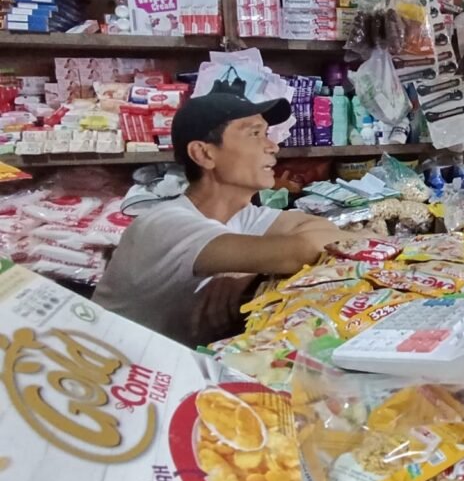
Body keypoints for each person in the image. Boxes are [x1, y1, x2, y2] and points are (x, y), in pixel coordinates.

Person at [95, 93, 350, 347]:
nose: (273, 146)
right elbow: (302, 250)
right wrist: (262, 262)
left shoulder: (245, 216)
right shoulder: (165, 224)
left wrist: (246, 270)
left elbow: (333, 235)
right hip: (107, 375)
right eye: (255, 134)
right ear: (203, 154)